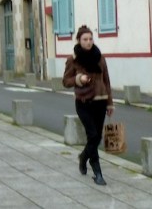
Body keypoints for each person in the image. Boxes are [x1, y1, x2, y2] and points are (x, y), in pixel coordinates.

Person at [63, 25, 114, 185]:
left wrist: (110, 104)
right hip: (83, 102)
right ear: (79, 40)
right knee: (92, 135)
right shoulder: (73, 59)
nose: (89, 42)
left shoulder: (100, 58)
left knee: (97, 137)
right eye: (85, 39)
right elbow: (66, 81)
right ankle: (97, 171)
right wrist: (79, 79)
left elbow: (106, 81)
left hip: (100, 102)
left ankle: (84, 156)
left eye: (91, 39)